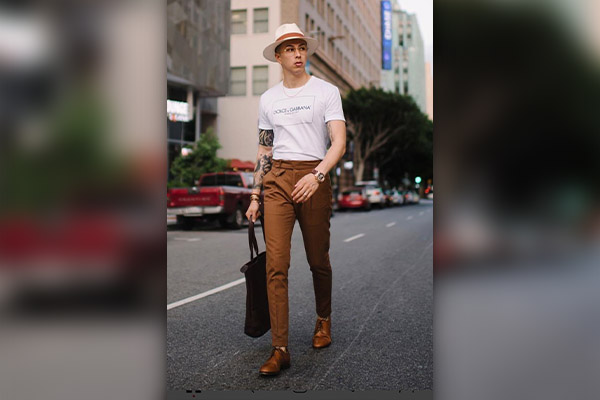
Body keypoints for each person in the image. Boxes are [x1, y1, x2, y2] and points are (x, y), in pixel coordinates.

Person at [245, 23, 347, 377]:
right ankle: (281, 348)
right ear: (278, 56)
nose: (297, 53)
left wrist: (318, 175)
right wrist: (256, 193)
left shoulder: (326, 91)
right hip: (277, 181)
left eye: (301, 47)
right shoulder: (268, 99)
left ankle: (323, 320)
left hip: (313, 177)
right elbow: (264, 149)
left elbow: (338, 142)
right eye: (289, 48)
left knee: (318, 259)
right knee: (276, 265)